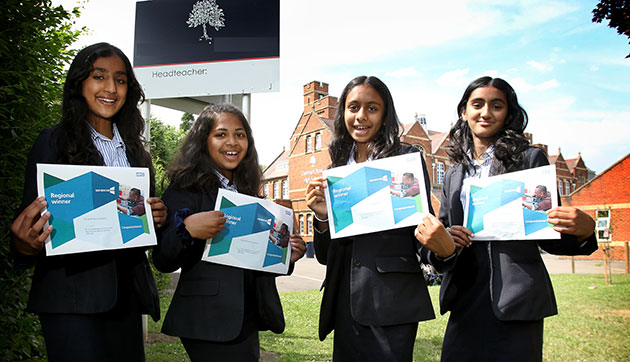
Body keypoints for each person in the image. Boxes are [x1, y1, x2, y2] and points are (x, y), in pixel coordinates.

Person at [414, 76, 597, 362]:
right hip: (464, 299)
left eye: (496, 106)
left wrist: (585, 232)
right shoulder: (453, 174)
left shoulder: (529, 159)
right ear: (464, 111)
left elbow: (549, 232)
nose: (485, 112)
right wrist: (443, 244)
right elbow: (443, 243)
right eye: (477, 104)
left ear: (508, 114)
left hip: (516, 298)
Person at [9, 42, 167, 361]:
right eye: (99, 76)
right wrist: (26, 244)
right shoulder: (52, 143)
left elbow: (140, 229)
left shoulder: (138, 156)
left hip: (127, 298)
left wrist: (157, 219)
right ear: (80, 83)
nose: (110, 88)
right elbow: (29, 233)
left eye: (121, 80)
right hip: (71, 300)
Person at [305, 75, 456, 361]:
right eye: (353, 107)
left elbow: (422, 231)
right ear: (343, 113)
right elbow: (326, 257)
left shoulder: (406, 159)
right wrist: (323, 219)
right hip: (345, 302)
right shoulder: (337, 167)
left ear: (385, 114)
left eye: (372, 108)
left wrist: (442, 249)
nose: (361, 116)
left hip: (391, 300)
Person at [152, 103, 306, 362]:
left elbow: (257, 258)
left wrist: (286, 255)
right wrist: (187, 229)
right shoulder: (185, 188)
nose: (232, 142)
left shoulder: (249, 194)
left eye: (240, 134)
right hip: (207, 318)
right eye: (221, 134)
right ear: (204, 141)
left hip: (247, 317)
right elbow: (163, 258)